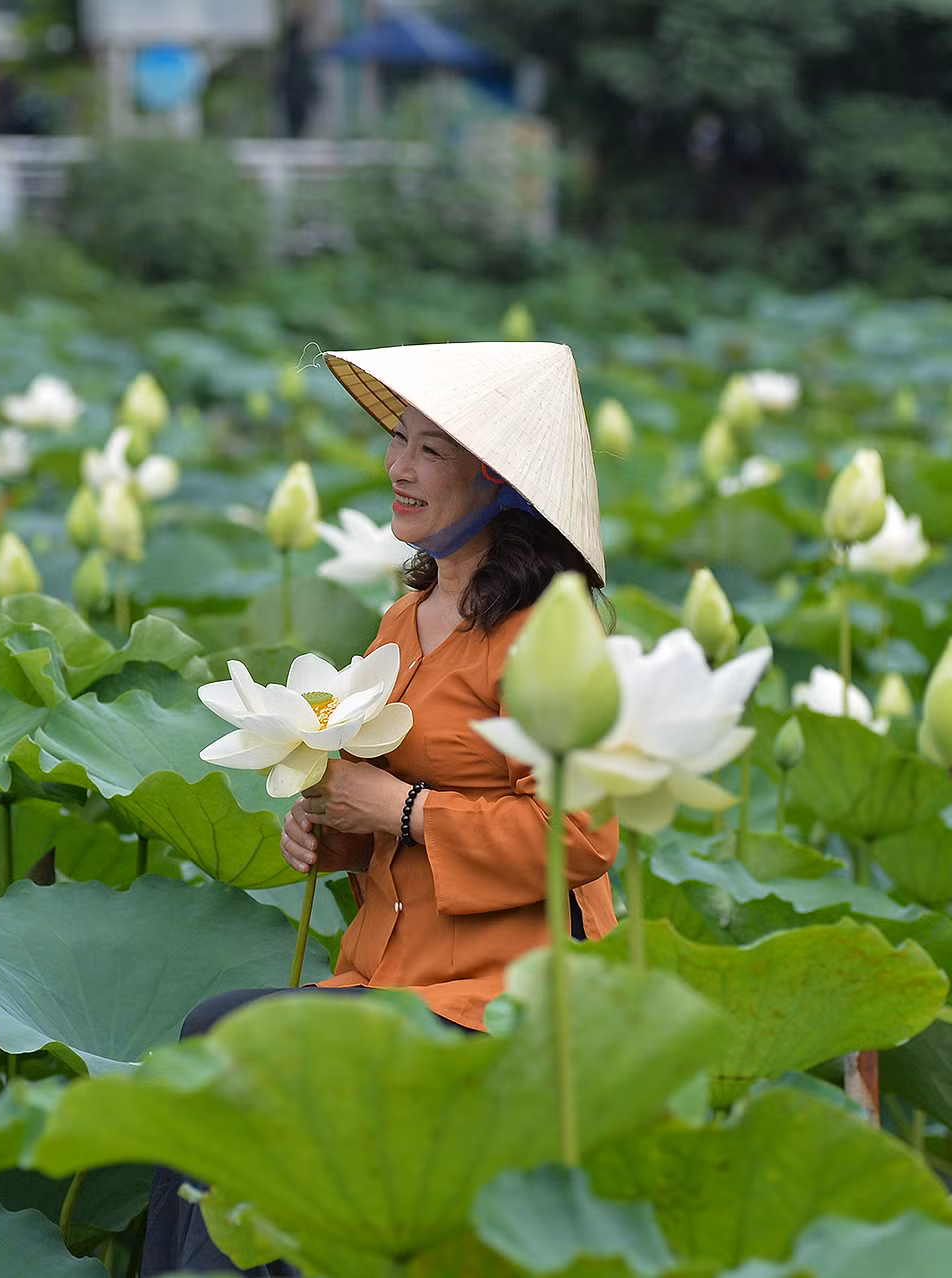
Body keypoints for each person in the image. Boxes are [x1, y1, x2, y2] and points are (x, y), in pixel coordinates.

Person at [144, 341, 621, 1276]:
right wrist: (333, 833)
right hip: (387, 977)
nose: (397, 467)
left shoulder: (547, 636)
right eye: (399, 439)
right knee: (209, 1036)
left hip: (499, 996)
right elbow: (377, 809)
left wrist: (399, 809)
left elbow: (579, 839)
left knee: (253, 1044)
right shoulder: (401, 622)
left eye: (431, 450)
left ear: (499, 483)